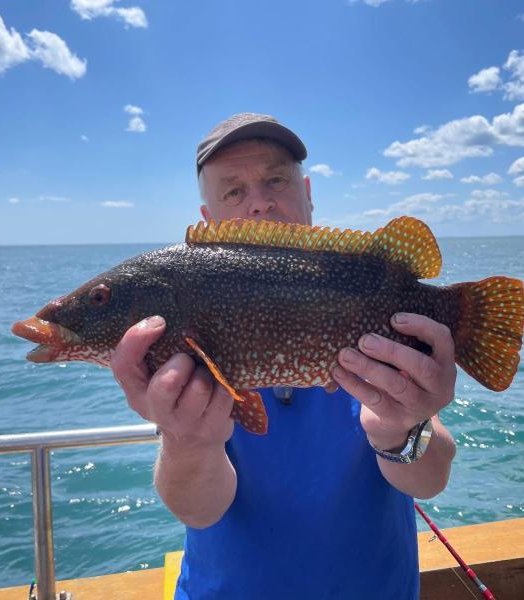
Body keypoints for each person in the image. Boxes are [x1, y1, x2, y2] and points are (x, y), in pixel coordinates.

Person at [110, 113, 457, 599]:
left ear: (308, 193)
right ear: (207, 221)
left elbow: (430, 479)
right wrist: (189, 443)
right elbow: (200, 510)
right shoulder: (190, 332)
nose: (260, 203)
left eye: (275, 179)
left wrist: (403, 428)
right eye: (233, 192)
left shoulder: (366, 300)